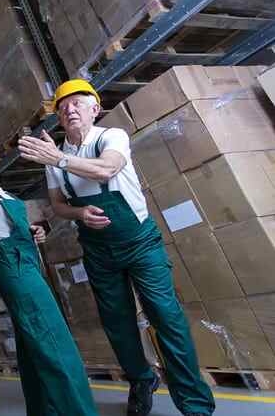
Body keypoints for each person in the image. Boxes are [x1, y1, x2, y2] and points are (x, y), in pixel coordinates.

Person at [18, 79, 215, 416]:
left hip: (140, 244)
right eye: (64, 106)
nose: (70, 109)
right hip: (98, 250)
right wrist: (79, 212)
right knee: (118, 324)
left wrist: (58, 158)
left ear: (94, 109)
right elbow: (57, 204)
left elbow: (108, 167)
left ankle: (195, 405)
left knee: (166, 317)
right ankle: (141, 379)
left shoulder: (110, 137)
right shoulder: (58, 155)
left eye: (78, 102)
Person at [0, 132, 98, 416]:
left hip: (27, 262)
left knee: (32, 343)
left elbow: (12, 229)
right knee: (53, 341)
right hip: (13, 267)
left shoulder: (4, 193)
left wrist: (34, 233)